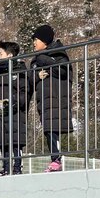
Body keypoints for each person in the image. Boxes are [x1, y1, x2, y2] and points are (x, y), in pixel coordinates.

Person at [31, 25, 73, 173]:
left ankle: (56, 160)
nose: (34, 43)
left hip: (56, 99)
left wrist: (44, 59)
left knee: (53, 128)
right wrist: (37, 76)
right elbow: (30, 77)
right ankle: (55, 159)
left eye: (36, 40)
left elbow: (62, 70)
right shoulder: (35, 60)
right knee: (49, 129)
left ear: (45, 41)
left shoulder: (58, 53)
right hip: (44, 101)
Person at [0, 41, 32, 176]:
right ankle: (6, 168)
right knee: (3, 141)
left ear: (9, 55)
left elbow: (24, 92)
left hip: (15, 113)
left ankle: (17, 167)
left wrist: (14, 103)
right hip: (0, 113)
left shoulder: (19, 71)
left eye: (1, 53)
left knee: (15, 141)